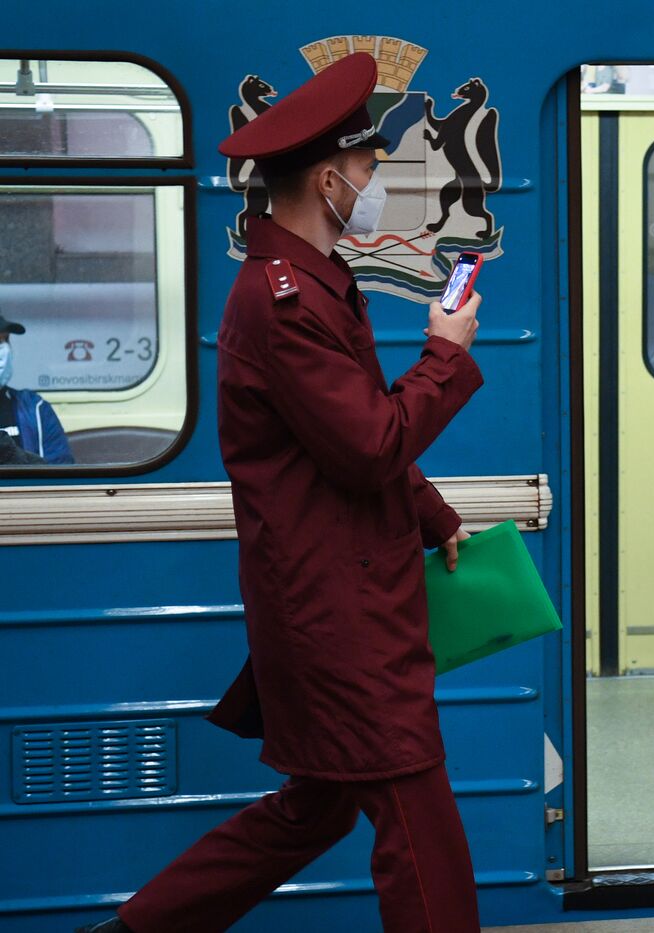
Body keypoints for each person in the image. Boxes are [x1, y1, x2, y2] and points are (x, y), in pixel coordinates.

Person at [77, 52, 486, 933]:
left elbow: (345, 431)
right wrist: (447, 352)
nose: (378, 180)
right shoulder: (286, 301)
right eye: (371, 166)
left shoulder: (306, 284)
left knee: (321, 807)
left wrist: (430, 511)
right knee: (415, 811)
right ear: (328, 176)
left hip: (332, 591)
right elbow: (372, 440)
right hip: (338, 607)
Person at [0, 311, 73, 464]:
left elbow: (60, 477)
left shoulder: (34, 408)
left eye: (4, 340)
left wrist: (11, 455)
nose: (3, 350)